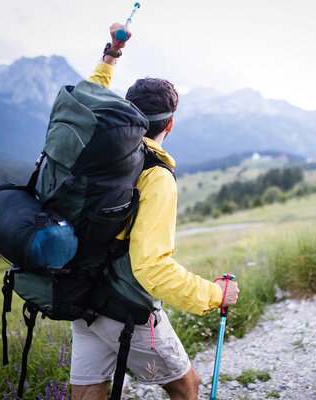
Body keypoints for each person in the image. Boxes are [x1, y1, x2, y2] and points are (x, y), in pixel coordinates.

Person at [69, 23, 240, 400]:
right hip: (125, 307)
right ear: (171, 124)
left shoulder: (96, 145)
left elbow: (87, 99)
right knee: (186, 386)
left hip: (80, 295)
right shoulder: (156, 176)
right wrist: (216, 295)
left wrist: (110, 57)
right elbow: (152, 268)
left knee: (87, 394)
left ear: (126, 112)